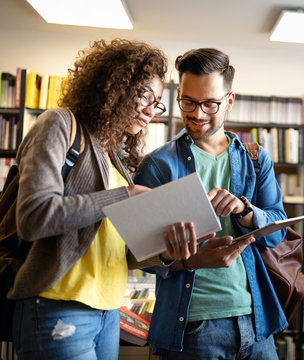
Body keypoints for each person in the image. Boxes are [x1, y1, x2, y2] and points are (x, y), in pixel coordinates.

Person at [10, 39, 205, 360]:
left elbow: (118, 252)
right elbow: (33, 217)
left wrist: (166, 253)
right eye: (144, 95)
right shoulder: (58, 124)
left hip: (109, 312)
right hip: (59, 305)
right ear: (113, 86)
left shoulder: (114, 156)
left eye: (157, 103)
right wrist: (124, 195)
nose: (150, 110)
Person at [133, 48, 287, 359]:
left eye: (210, 104)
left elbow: (277, 232)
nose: (198, 113)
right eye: (188, 101)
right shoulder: (158, 166)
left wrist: (245, 211)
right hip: (192, 327)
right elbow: (140, 255)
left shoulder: (256, 159)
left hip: (256, 321)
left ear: (229, 101)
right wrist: (190, 259)